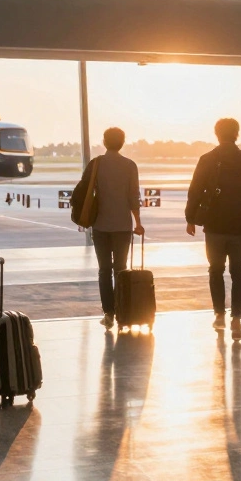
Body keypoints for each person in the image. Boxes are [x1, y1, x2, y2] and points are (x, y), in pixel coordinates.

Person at [186, 118, 241, 341]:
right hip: (240, 226)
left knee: (215, 270)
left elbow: (195, 190)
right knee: (239, 272)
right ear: (237, 134)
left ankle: (219, 314)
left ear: (216, 134)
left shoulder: (207, 159)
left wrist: (190, 218)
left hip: (214, 226)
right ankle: (237, 318)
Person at [84, 127, 145, 330]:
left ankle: (108, 314)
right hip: (122, 226)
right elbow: (133, 197)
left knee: (104, 270)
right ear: (122, 142)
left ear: (104, 141)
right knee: (120, 269)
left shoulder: (96, 164)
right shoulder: (129, 165)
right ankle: (123, 312)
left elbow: (85, 192)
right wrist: (138, 222)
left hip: (100, 225)